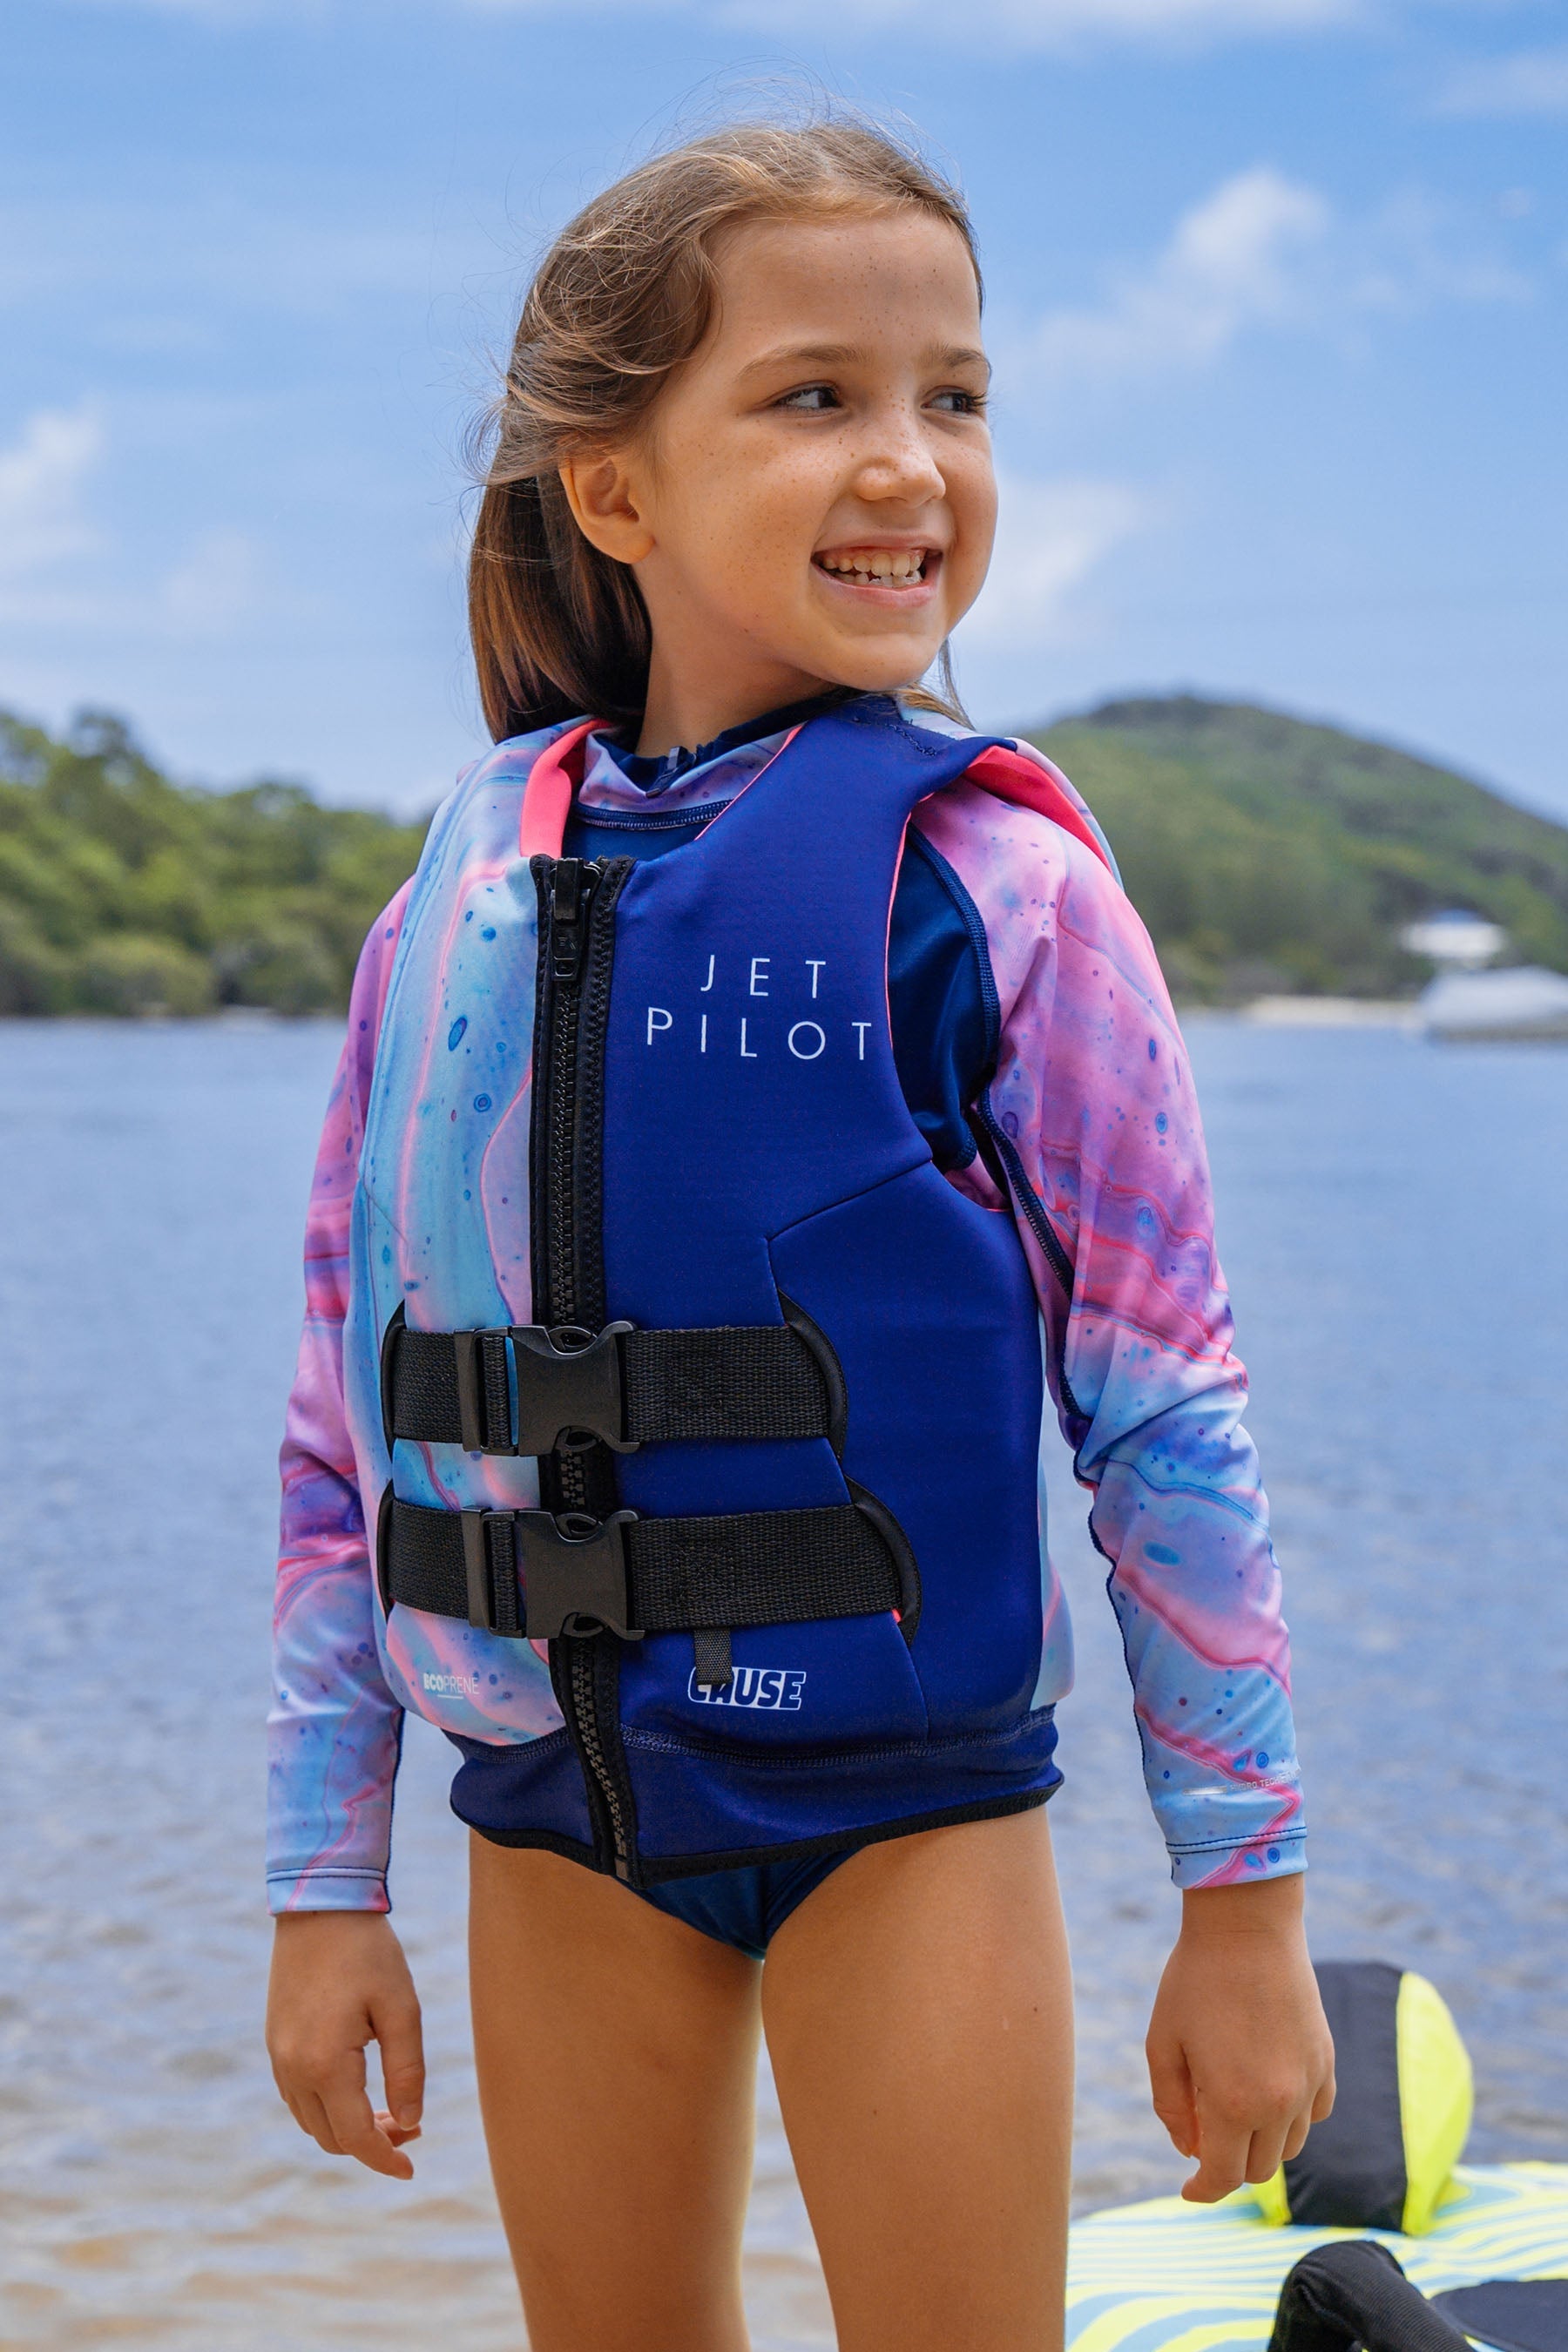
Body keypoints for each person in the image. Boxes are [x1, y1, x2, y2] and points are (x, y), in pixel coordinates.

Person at [264, 113, 1335, 2352]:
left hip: (903, 1818)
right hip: (552, 1814)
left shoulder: (1007, 894)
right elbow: (339, 1423)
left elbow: (1164, 1414)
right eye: (816, 394)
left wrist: (1242, 1904)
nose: (910, 464)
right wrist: (321, 1882)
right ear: (615, 490)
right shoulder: (453, 905)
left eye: (957, 396)